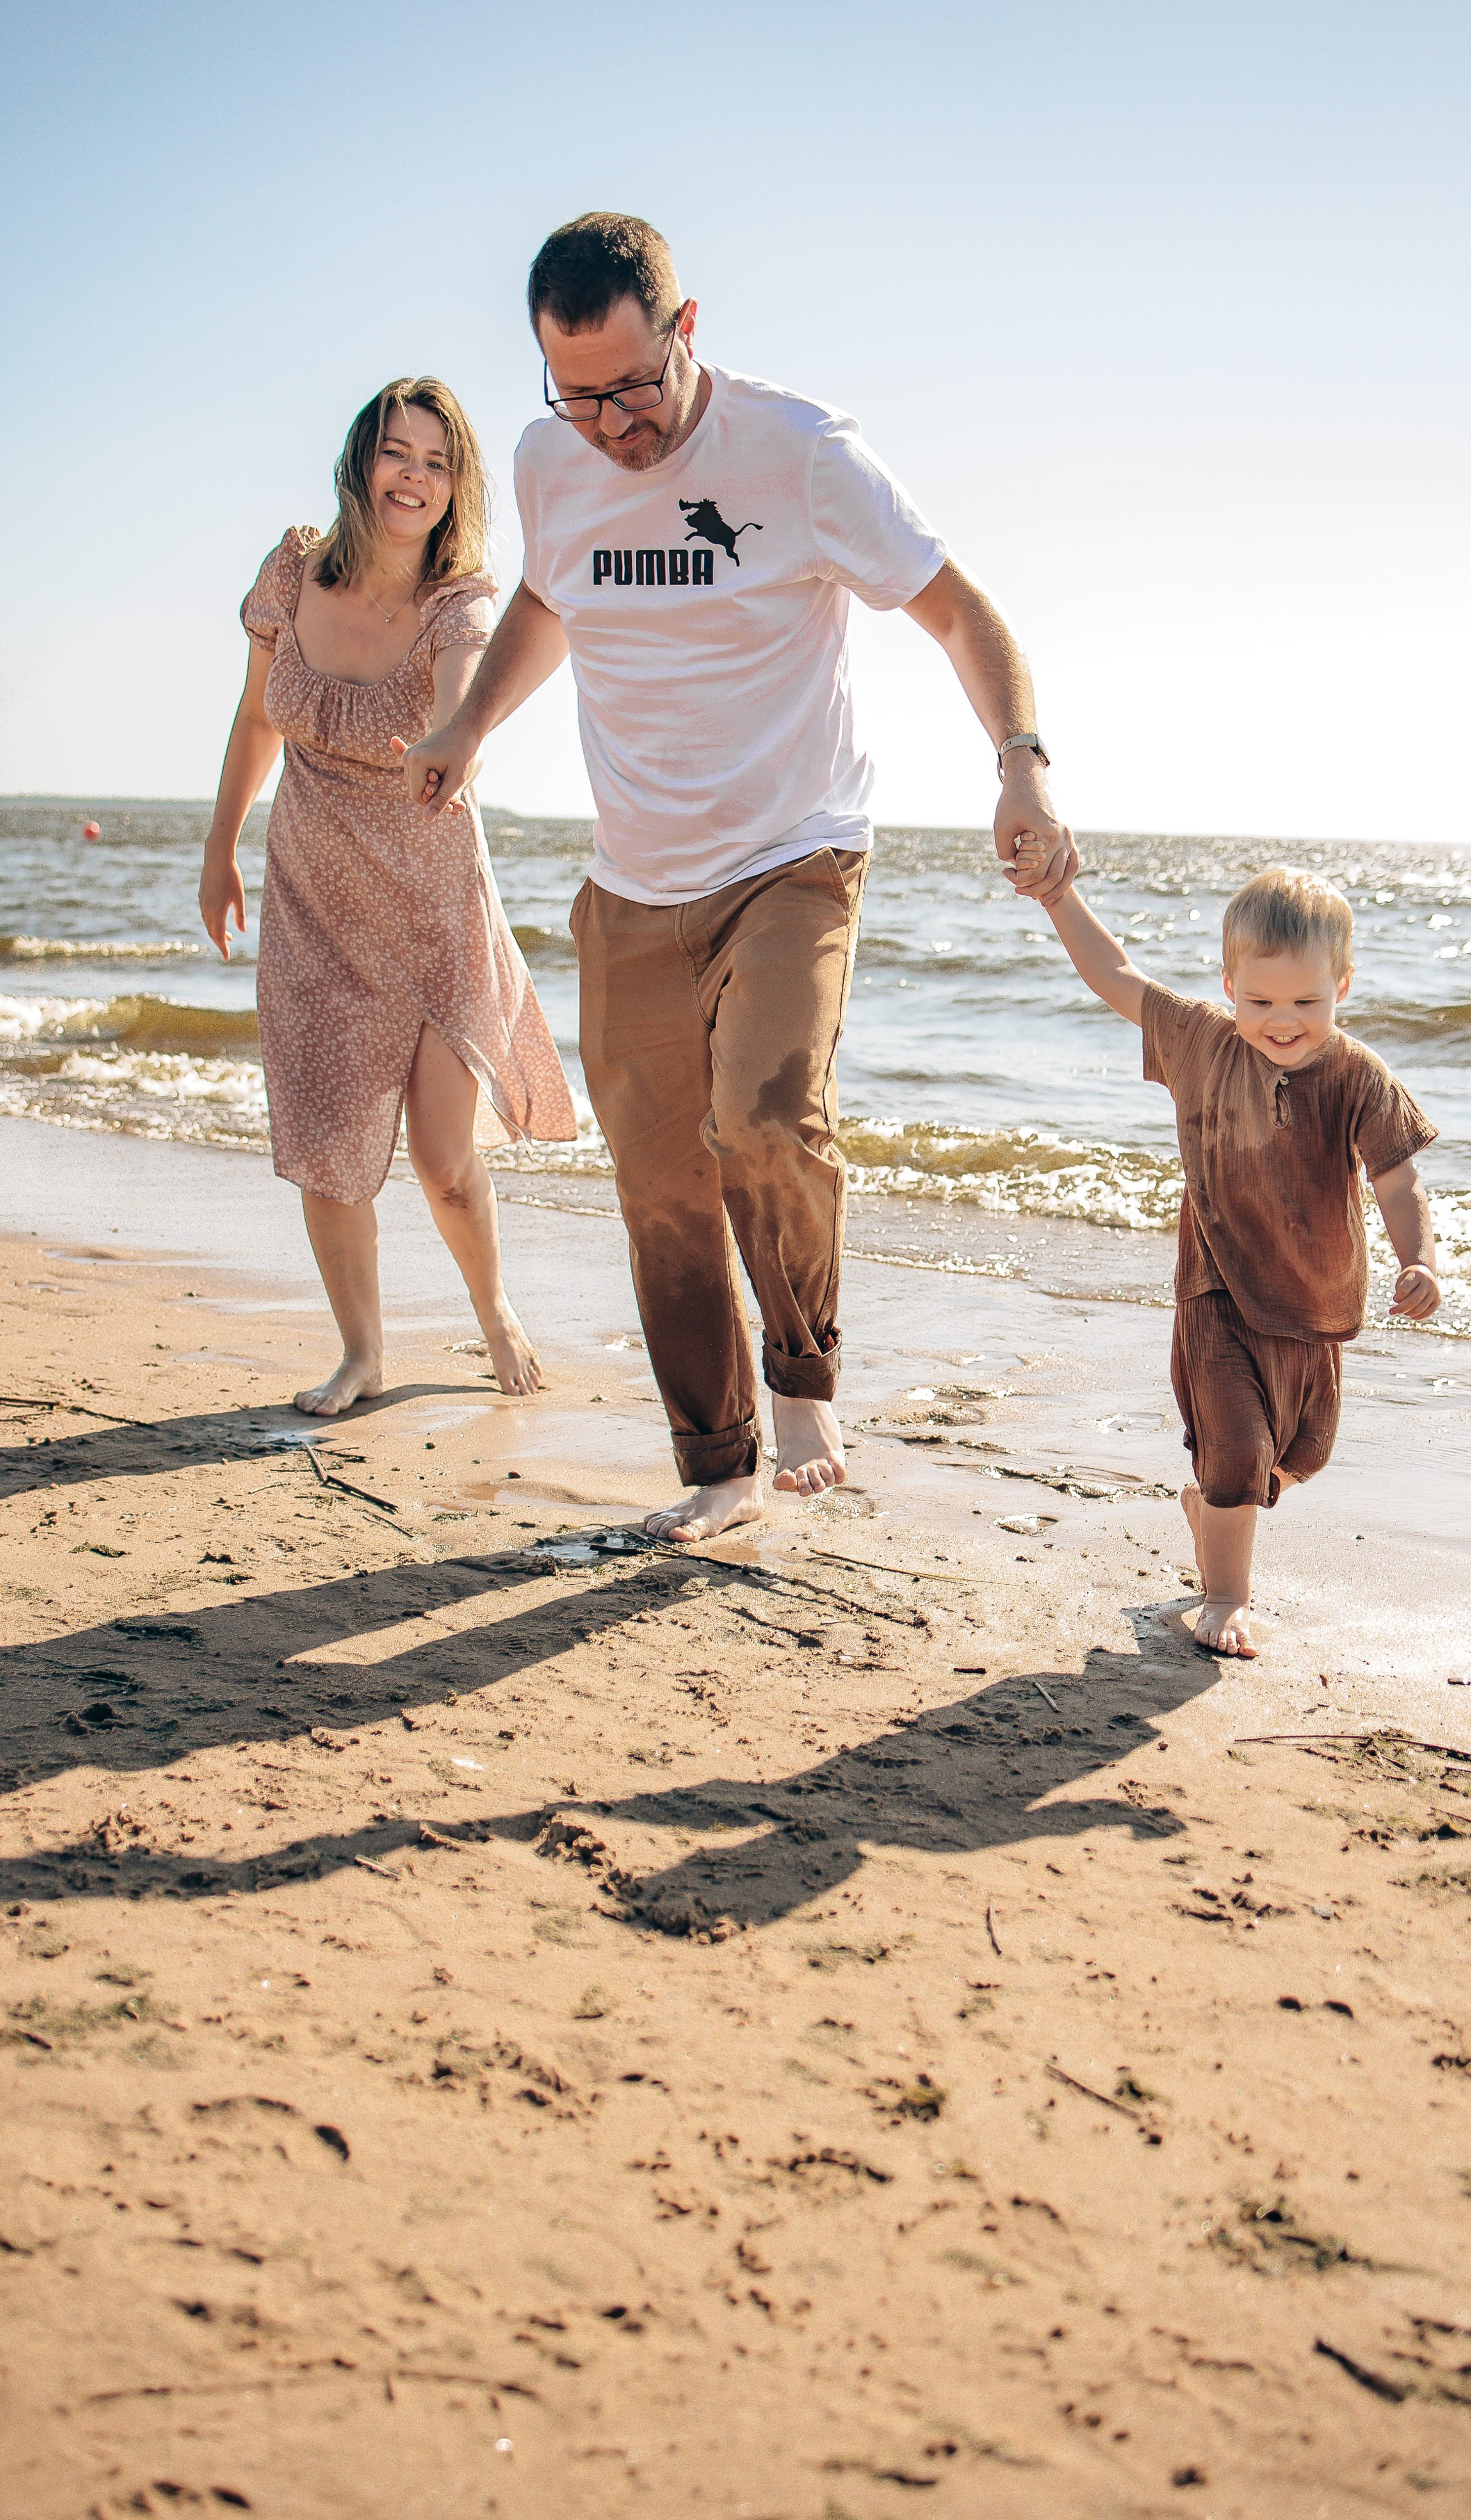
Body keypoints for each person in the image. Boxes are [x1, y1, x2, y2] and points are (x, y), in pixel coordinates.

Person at [399, 212, 1076, 1541]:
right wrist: (471, 724)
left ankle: (806, 1371)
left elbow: (958, 608)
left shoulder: (802, 452)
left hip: (792, 853)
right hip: (633, 880)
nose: (612, 425)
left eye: (635, 388)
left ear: (687, 328)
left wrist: (1021, 760)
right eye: (578, 393)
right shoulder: (552, 460)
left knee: (765, 1118)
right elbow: (551, 599)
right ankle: (718, 1467)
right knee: (658, 1187)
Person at [200, 378, 576, 1414]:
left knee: (446, 1158)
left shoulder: (459, 601)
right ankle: (362, 1355)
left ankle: (493, 1309)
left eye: (437, 462)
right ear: (362, 463)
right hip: (313, 897)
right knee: (325, 1145)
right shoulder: (291, 570)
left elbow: (464, 695)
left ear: (457, 488)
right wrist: (218, 849)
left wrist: (457, 741)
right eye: (397, 454)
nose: (414, 478)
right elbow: (253, 720)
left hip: (430, 901)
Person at [1007, 862, 1441, 1656]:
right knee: (1239, 1447)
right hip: (1215, 1291)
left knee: (1303, 1452)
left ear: (1342, 984)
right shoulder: (1203, 1042)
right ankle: (1225, 1597)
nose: (1283, 1022)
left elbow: (1397, 1177)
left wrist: (1420, 1261)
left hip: (1312, 1303)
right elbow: (1116, 976)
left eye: (1307, 1002)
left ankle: (1213, 1506)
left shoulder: (1357, 1076)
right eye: (1261, 1000)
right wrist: (1056, 895)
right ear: (1228, 984)